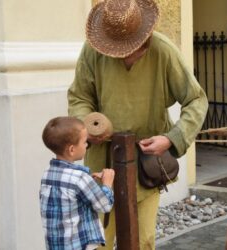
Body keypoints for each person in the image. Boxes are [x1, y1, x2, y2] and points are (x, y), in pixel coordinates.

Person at [67, 0, 208, 249]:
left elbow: (196, 99)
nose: (122, 54)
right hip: (103, 162)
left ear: (144, 39)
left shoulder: (163, 50)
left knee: (144, 241)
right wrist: (87, 126)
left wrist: (171, 139)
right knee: (99, 240)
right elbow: (80, 96)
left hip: (146, 163)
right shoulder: (92, 50)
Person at [40, 116, 115, 250]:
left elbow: (68, 197)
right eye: (85, 142)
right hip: (80, 245)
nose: (87, 145)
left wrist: (88, 183)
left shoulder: (47, 173)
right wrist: (107, 183)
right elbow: (104, 205)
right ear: (72, 150)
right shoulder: (80, 178)